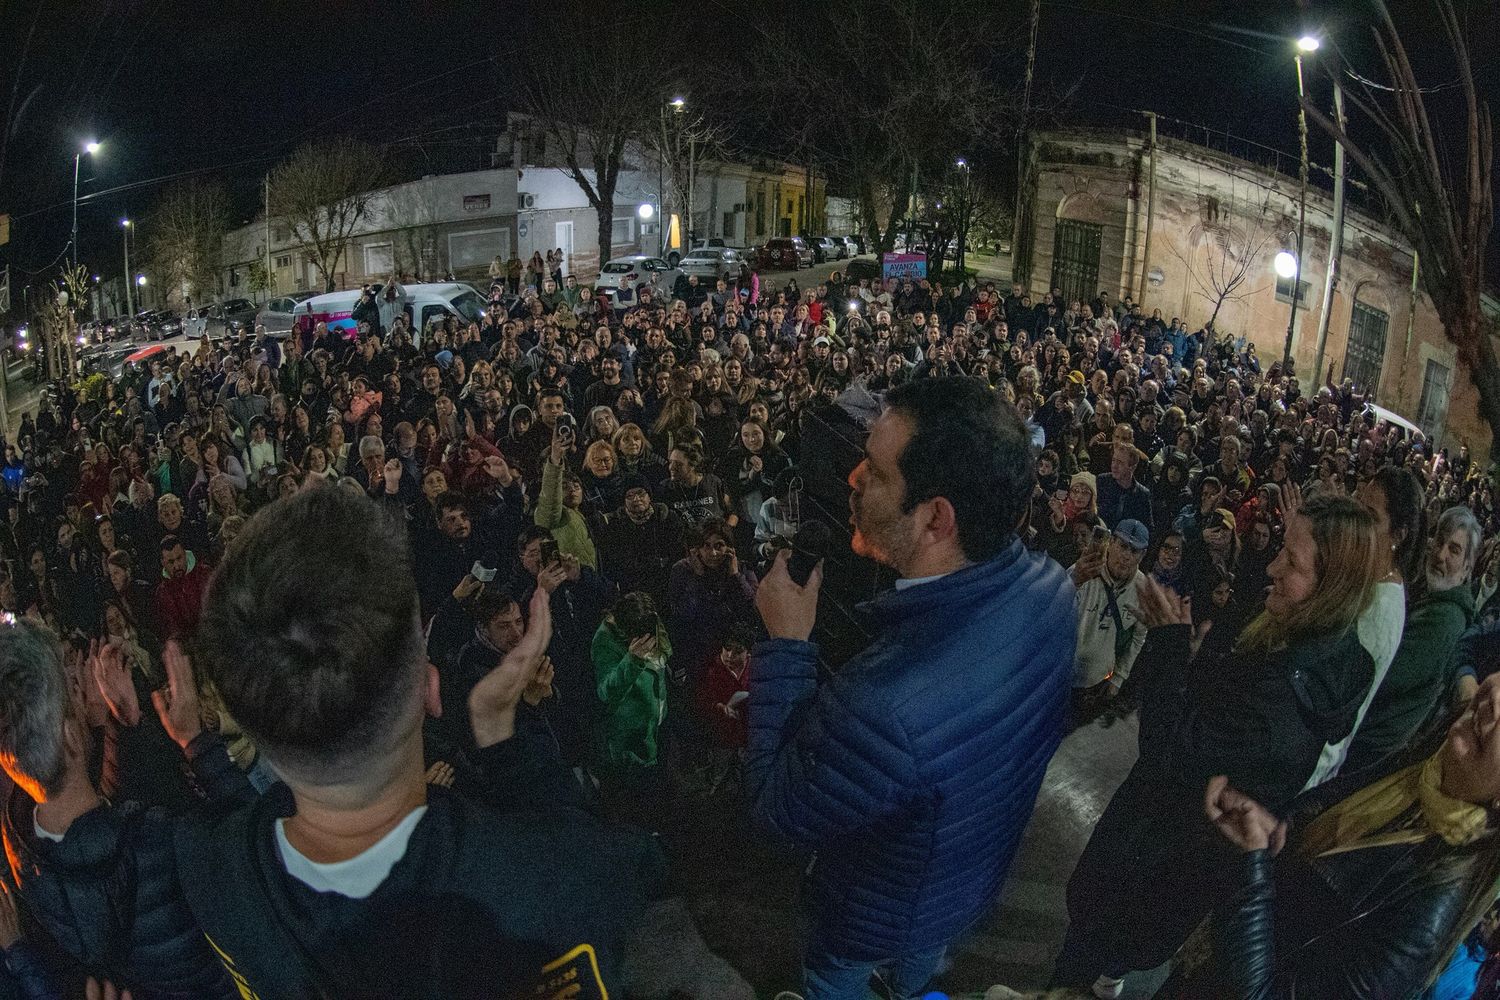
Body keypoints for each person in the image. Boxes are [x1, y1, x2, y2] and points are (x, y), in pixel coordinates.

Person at [3, 485, 666, 998]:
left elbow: (238, 821)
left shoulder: (211, 870)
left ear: (252, 724)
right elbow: (600, 862)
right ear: (429, 687)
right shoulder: (564, 876)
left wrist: (189, 743)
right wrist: (505, 741)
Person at [749, 377, 1075, 1000]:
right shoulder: (1054, 592)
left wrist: (786, 647)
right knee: (919, 968)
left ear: (934, 517)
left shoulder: (884, 705)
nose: (853, 480)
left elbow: (777, 811)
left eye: (874, 470)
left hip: (870, 915)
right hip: (965, 883)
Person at [1054, 493, 1383, 997]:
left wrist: (1168, 641)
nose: (1272, 566)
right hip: (1160, 870)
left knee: (1076, 970)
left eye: (1291, 561)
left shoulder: (1278, 707)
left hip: (1147, 870)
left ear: (1330, 589)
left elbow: (1169, 747)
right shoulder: (1311, 650)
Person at [1158, 673, 1500, 998]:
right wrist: (1277, 832)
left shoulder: (1431, 907)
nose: (1496, 698)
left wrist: (1252, 867)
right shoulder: (1419, 772)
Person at [1344, 503, 1481, 774]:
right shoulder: (1432, 599)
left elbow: (1387, 677)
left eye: (1454, 550)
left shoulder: (1446, 620)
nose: (1441, 555)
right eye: (1439, 541)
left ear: (1467, 569)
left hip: (1366, 747)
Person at [1068, 518, 1150, 726]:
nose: (1126, 556)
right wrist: (1074, 580)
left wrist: (1119, 677)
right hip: (1061, 674)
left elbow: (1139, 637)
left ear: (1143, 555)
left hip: (1097, 682)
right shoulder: (1086, 570)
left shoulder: (1143, 590)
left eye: (1134, 551)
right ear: (1111, 542)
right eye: (1122, 546)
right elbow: (1052, 610)